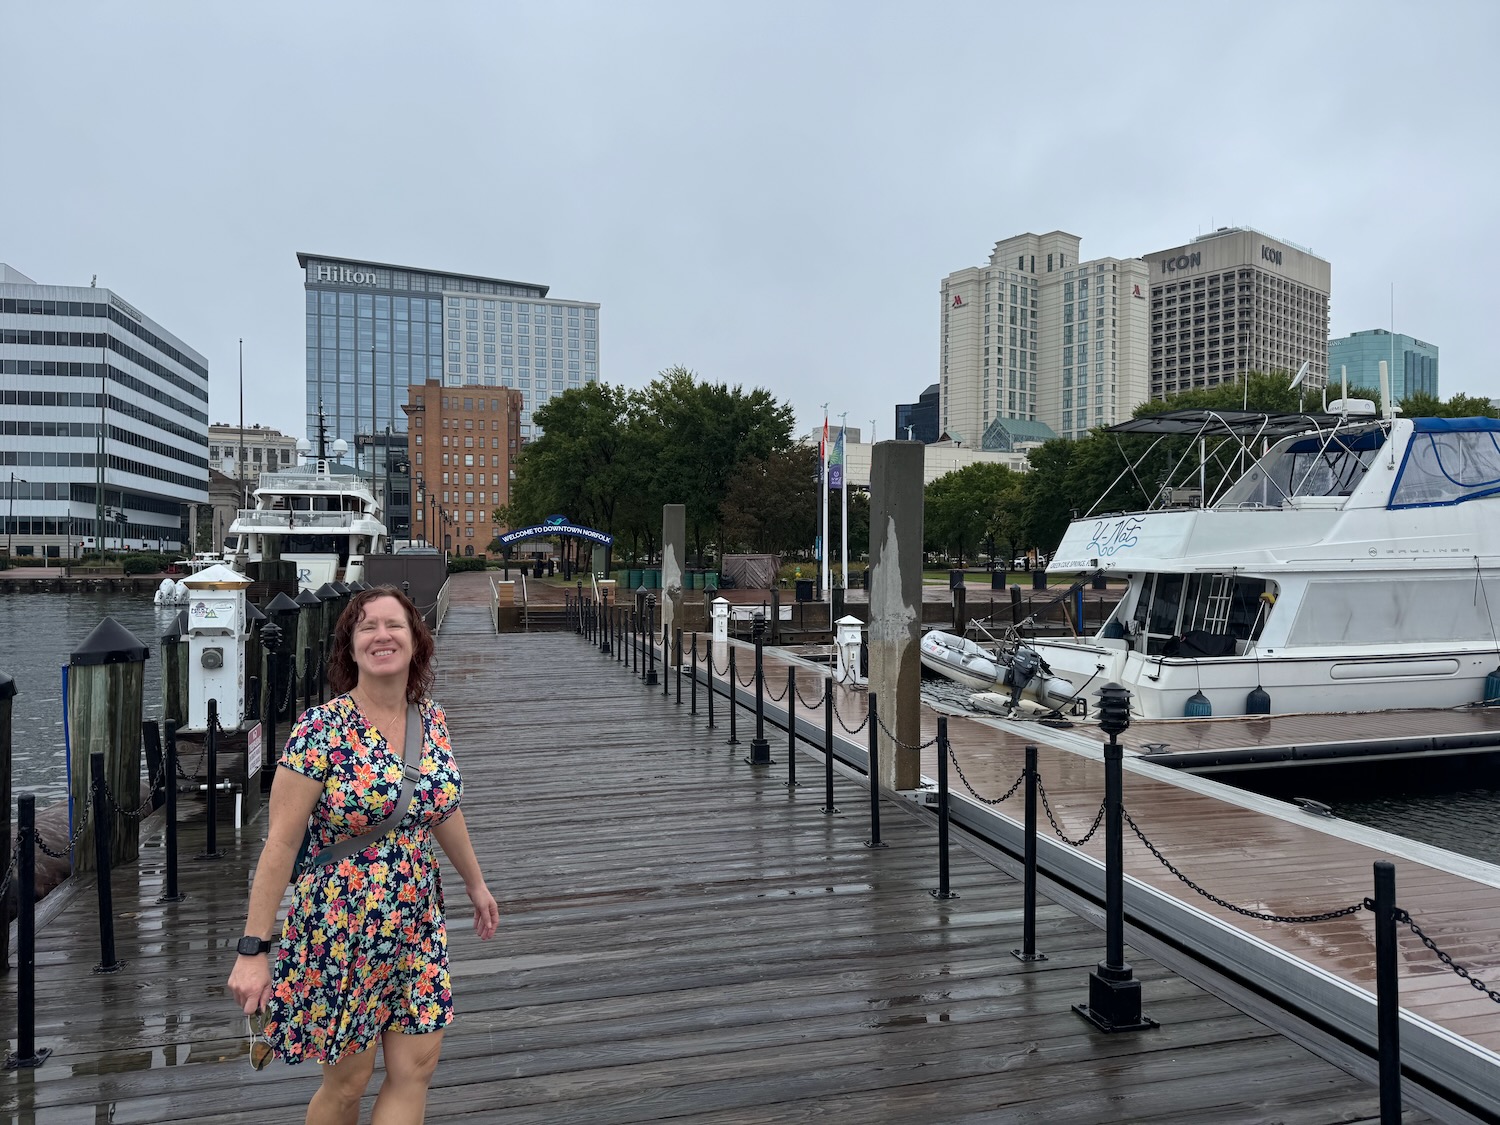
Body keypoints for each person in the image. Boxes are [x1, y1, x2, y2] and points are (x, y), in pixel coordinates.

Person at [229, 585, 499, 1124]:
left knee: (416, 1067)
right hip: (342, 925)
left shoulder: (432, 720)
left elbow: (440, 808)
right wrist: (253, 949)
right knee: (348, 1083)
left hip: (417, 920)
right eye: (367, 627)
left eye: (395, 625)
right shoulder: (320, 729)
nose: (382, 635)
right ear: (350, 648)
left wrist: (475, 883)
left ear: (416, 641)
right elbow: (281, 843)